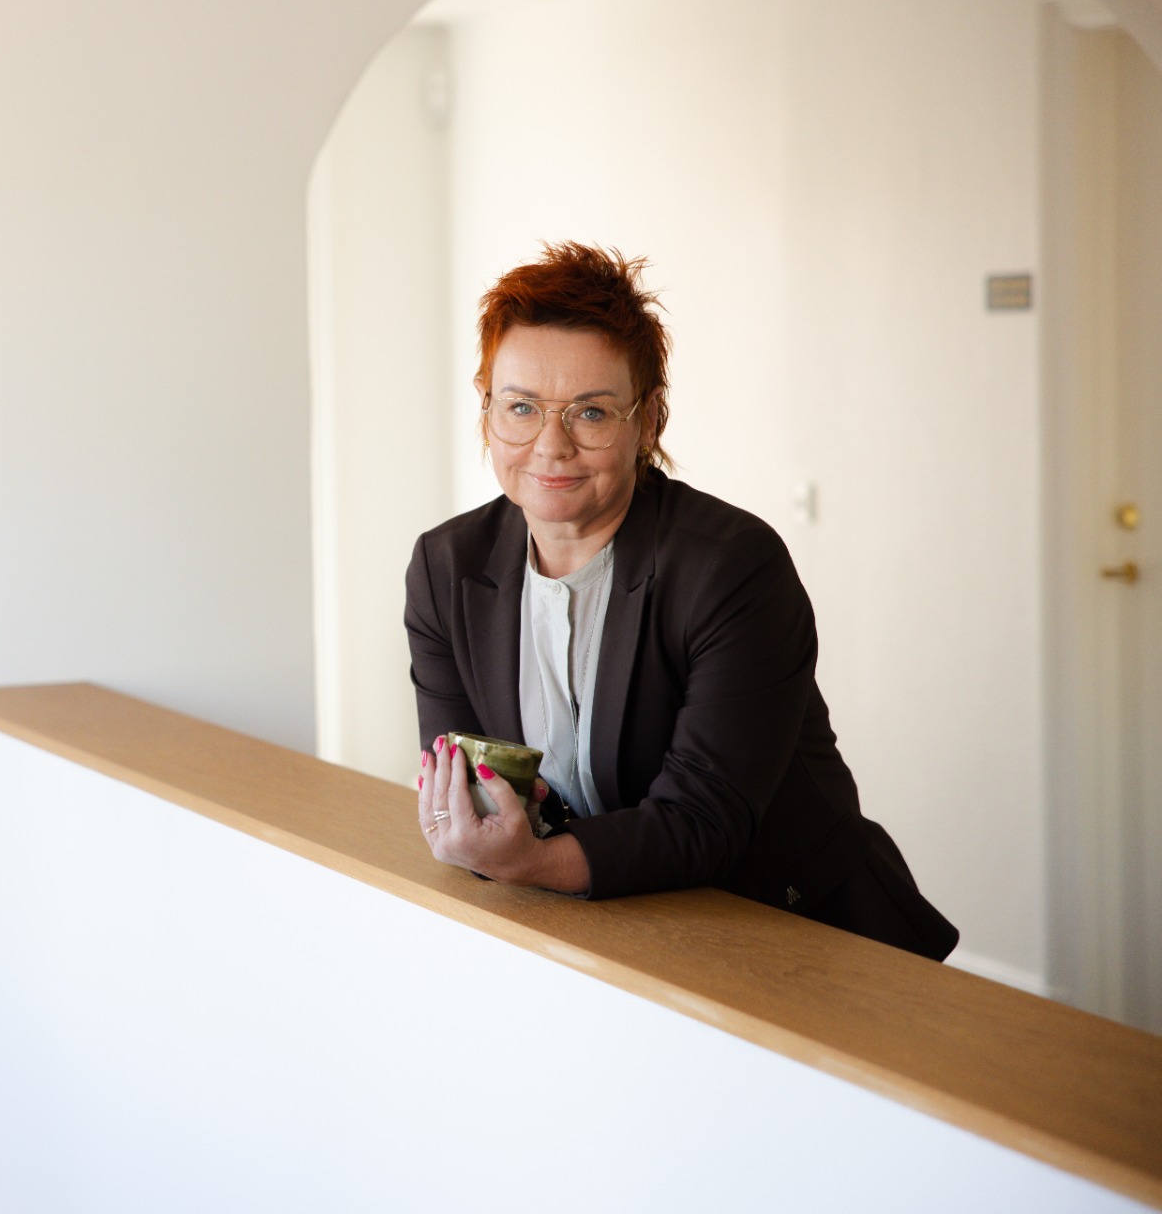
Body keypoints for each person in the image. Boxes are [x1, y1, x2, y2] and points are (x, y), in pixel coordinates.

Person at [404, 241, 957, 959]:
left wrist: (531, 859)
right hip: (605, 932)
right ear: (486, 411)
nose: (550, 445)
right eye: (520, 407)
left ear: (649, 420)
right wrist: (491, 837)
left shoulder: (732, 565)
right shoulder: (445, 567)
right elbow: (466, 788)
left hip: (786, 929)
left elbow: (704, 819)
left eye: (591, 412)